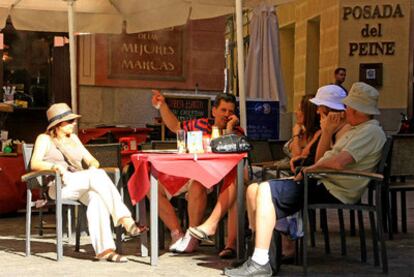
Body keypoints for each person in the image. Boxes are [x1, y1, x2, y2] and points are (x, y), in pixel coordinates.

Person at [225, 82, 386, 276]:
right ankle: (261, 255)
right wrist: (325, 136)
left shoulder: (370, 131)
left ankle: (261, 263)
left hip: (333, 187)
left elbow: (338, 163)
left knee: (266, 190)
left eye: (349, 106)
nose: (346, 110)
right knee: (253, 190)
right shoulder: (357, 129)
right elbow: (325, 160)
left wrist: (310, 169)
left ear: (358, 110)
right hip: (324, 181)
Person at [30, 103, 147, 263]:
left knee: (96, 198)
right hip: (58, 185)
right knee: (96, 176)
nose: (74, 123)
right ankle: (126, 219)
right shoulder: (44, 139)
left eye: (73, 120)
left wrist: (92, 165)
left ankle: (105, 251)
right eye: (69, 121)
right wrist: (54, 166)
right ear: (57, 124)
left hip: (79, 182)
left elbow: (92, 160)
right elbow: (34, 163)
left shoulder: (75, 139)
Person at [151, 90, 243, 256]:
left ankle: (193, 236)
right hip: (189, 171)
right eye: (223, 110)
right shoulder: (200, 124)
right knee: (152, 188)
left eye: (231, 111)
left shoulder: (236, 131)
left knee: (197, 184)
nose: (227, 115)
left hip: (216, 176)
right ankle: (177, 233)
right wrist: (162, 105)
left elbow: (234, 154)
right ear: (214, 110)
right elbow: (175, 126)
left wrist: (229, 128)